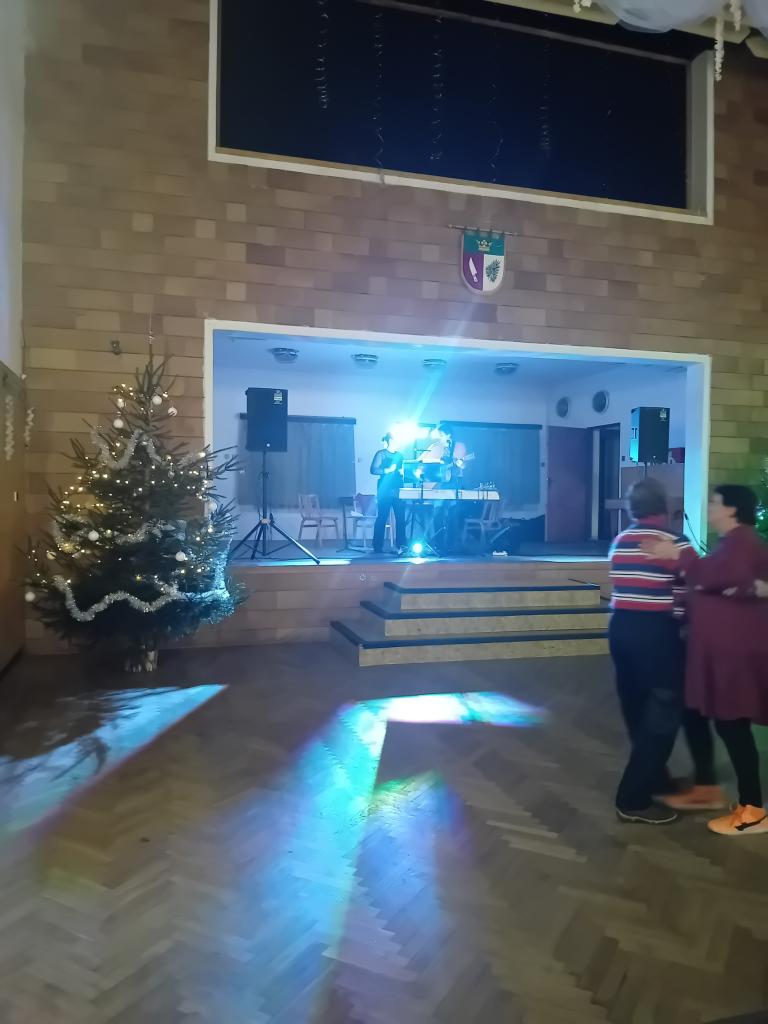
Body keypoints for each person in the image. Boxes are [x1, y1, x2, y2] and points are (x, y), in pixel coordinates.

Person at [642, 485, 768, 836]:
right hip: (727, 653)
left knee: (733, 727)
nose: (709, 507)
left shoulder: (742, 543)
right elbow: (717, 583)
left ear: (731, 509)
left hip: (734, 656)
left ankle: (753, 810)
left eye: (714, 502)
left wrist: (679, 555)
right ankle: (749, 804)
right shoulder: (732, 543)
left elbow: (716, 577)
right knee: (732, 727)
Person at [608, 478, 701, 825]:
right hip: (656, 633)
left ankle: (656, 778)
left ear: (633, 508)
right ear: (664, 506)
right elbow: (694, 587)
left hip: (620, 629)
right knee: (663, 713)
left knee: (636, 709)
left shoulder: (620, 542)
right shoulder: (675, 543)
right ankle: (632, 799)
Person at [370, 433, 406, 556]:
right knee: (382, 517)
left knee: (401, 518)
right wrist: (387, 470)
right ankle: (377, 546)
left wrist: (403, 472)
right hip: (384, 490)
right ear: (389, 440)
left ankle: (401, 546)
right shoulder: (381, 454)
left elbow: (403, 471)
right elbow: (373, 469)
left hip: (398, 489)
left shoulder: (400, 455)